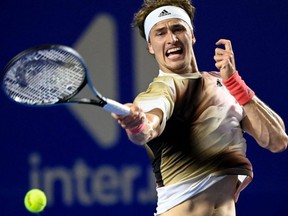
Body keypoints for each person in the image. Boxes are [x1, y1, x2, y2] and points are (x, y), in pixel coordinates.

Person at [112, 0, 288, 215]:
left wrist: (235, 83)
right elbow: (149, 127)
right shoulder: (161, 91)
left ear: (192, 35)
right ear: (150, 46)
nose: (172, 38)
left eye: (178, 28)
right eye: (160, 33)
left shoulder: (224, 83)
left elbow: (277, 140)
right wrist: (137, 124)